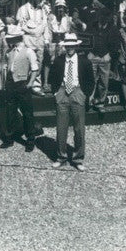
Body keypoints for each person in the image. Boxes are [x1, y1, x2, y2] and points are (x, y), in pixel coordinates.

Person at [49, 32, 94, 171]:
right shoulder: (58, 60)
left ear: (76, 45)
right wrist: (56, 92)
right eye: (67, 45)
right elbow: (52, 78)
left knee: (79, 128)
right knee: (61, 128)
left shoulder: (84, 61)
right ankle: (61, 157)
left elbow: (91, 81)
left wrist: (84, 94)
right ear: (65, 46)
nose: (70, 48)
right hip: (62, 92)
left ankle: (78, 159)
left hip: (77, 92)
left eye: (72, 45)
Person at [0, 24, 40, 152]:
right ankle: (9, 138)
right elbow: (8, 68)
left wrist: (30, 83)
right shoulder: (9, 52)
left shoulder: (28, 51)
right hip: (11, 84)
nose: (9, 41)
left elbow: (35, 69)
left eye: (11, 38)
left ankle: (30, 139)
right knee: (10, 112)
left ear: (18, 38)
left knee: (27, 113)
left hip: (23, 84)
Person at [16, 0, 51, 94]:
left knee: (39, 62)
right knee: (27, 61)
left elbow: (46, 26)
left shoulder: (44, 9)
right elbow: (20, 26)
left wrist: (46, 40)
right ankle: (25, 85)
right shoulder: (23, 9)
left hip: (39, 39)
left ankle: (36, 86)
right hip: (27, 38)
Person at [85, 4, 119, 111]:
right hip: (93, 57)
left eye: (106, 18)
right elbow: (86, 40)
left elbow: (116, 45)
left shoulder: (113, 29)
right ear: (99, 16)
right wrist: (89, 52)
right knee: (91, 80)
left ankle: (100, 102)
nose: (104, 19)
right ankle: (89, 101)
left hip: (105, 58)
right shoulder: (91, 26)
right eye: (102, 17)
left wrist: (110, 55)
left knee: (104, 82)